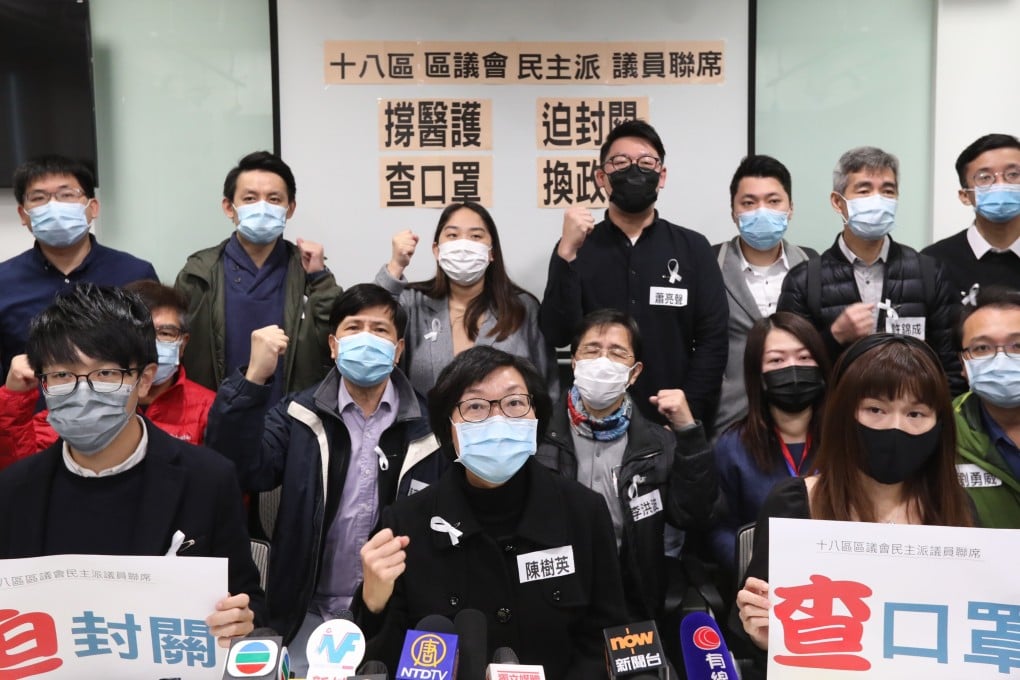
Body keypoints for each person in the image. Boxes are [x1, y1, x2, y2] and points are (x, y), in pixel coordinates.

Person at [0, 283, 262, 648]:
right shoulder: (14, 490)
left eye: (105, 374)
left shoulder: (208, 479)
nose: (82, 392)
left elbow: (248, 601)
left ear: (144, 379)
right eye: (61, 376)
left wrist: (241, 622)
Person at [203, 283, 446, 675]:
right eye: (354, 327)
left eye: (380, 330)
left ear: (398, 349)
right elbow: (237, 470)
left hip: (392, 617)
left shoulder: (430, 428)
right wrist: (253, 379)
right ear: (333, 345)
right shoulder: (299, 414)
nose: (366, 338)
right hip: (304, 613)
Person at [355, 346, 627, 679]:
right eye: (475, 406)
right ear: (448, 427)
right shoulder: (406, 524)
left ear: (536, 417)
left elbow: (604, 639)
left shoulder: (584, 512)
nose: (498, 419)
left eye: (514, 403)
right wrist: (373, 604)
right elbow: (385, 661)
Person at [734, 334, 974, 674]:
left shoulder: (955, 507)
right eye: (875, 410)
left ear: (939, 425)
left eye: (916, 413)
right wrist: (765, 638)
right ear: (844, 414)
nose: (896, 427)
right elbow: (761, 640)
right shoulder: (794, 505)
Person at [539, 119, 728, 427]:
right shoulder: (576, 248)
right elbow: (557, 333)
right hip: (591, 419)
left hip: (671, 418)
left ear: (661, 176)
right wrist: (567, 254)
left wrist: (688, 411)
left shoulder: (693, 248)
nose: (634, 170)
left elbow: (713, 340)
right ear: (601, 177)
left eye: (646, 162)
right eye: (621, 162)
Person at [536, 309, 720, 620]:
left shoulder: (657, 444)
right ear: (575, 362)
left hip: (631, 600)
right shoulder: (538, 435)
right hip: (552, 594)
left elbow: (695, 513)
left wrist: (689, 433)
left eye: (617, 353)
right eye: (592, 350)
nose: (602, 361)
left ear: (634, 373)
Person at [777, 146, 965, 395]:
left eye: (887, 191)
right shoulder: (804, 281)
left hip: (911, 411)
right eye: (864, 190)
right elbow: (790, 371)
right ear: (838, 202)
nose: (878, 200)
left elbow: (950, 367)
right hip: (836, 414)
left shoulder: (929, 273)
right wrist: (834, 336)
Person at [174, 150, 342, 405]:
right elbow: (177, 351)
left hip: (291, 417)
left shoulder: (308, 272)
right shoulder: (198, 275)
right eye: (250, 198)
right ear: (229, 207)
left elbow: (333, 345)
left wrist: (320, 278)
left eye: (274, 199)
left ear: (290, 208)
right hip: (215, 415)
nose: (262, 207)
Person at [0, 281, 216, 469]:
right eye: (142, 332)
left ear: (182, 343)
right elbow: (23, 475)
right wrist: (14, 398)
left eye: (165, 333)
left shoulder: (209, 408)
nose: (150, 342)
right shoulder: (76, 403)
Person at [376, 201, 558, 399]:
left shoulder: (522, 307)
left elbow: (547, 388)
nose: (463, 246)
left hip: (504, 419)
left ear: (491, 252)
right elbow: (371, 326)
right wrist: (396, 265)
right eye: (452, 235)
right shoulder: (413, 302)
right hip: (425, 420)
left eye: (476, 236)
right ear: (437, 250)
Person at [0, 155, 158, 379]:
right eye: (38, 198)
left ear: (93, 207)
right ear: (23, 214)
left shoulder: (136, 273)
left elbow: (154, 357)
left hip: (117, 401)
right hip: (30, 402)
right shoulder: (4, 281)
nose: (53, 206)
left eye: (67, 195)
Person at [709, 312, 830, 574]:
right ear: (759, 376)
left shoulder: (846, 441)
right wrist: (756, 570)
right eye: (777, 360)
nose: (793, 368)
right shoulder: (733, 447)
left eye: (804, 357)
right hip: (763, 583)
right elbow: (721, 529)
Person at [713, 155, 817, 434]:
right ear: (733, 212)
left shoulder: (812, 265)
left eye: (773, 201)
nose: (761, 211)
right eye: (749, 203)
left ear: (790, 209)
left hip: (802, 421)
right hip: (730, 421)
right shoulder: (709, 264)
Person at [954, 285, 1020, 528]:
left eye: (1018, 346)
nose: (1001, 359)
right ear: (963, 364)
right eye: (982, 348)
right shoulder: (942, 430)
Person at [923, 133, 1020, 298]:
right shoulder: (933, 261)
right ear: (965, 196)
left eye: (1013, 174)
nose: (1001, 185)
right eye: (985, 177)